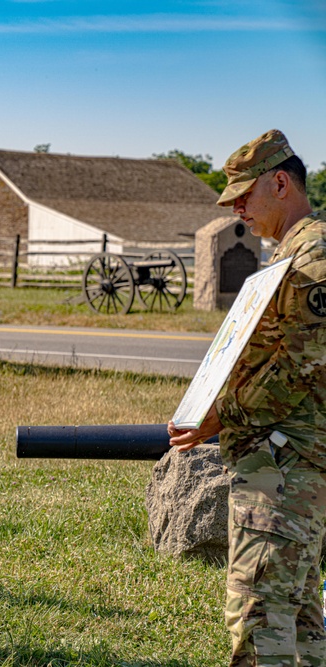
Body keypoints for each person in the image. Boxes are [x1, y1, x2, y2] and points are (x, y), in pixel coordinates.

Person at [168, 129, 326, 665]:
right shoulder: (294, 252)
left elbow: (310, 365)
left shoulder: (314, 255)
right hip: (279, 463)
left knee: (261, 625)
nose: (237, 209)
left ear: (280, 182)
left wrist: (221, 413)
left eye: (243, 196)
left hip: (285, 469)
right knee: (299, 627)